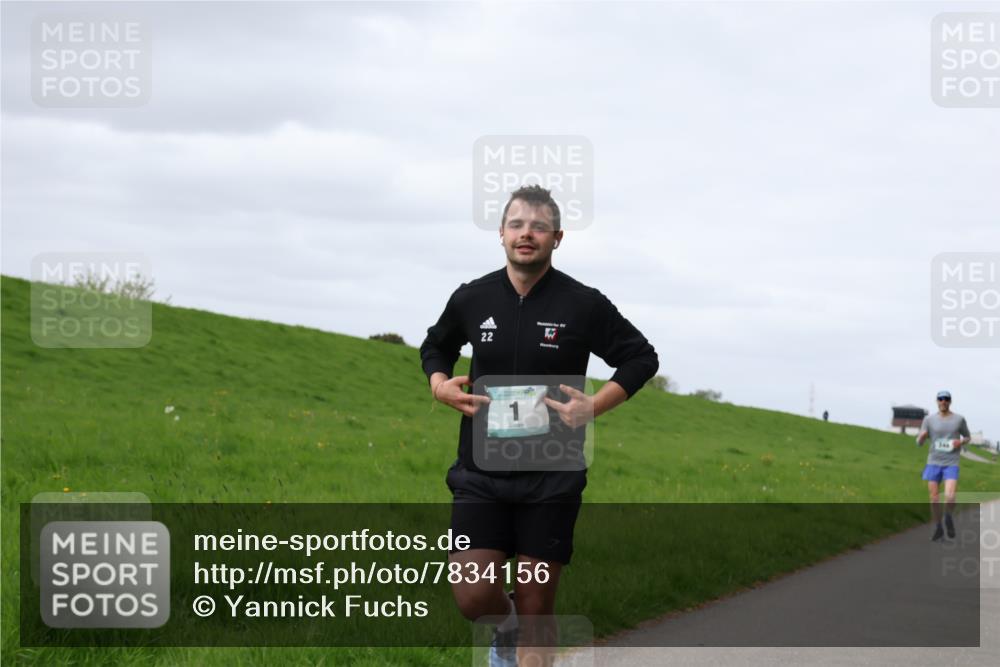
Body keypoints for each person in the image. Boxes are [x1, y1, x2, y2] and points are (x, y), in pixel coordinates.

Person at [420, 185, 658, 666]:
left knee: (535, 605)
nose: (526, 233)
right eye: (516, 224)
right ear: (501, 234)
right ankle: (503, 631)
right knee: (473, 596)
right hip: (480, 473)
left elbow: (640, 357)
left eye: (539, 226)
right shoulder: (472, 297)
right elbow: (436, 346)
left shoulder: (583, 304)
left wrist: (594, 406)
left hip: (553, 475)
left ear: (557, 237)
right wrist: (440, 384)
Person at [915, 390, 972, 541]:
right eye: (940, 399)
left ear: (950, 401)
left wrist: (960, 442)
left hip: (951, 462)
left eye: (946, 399)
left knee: (950, 496)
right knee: (934, 498)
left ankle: (948, 517)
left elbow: (968, 437)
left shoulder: (959, 419)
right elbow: (919, 443)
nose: (943, 401)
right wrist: (921, 437)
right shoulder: (928, 420)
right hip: (933, 462)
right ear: (937, 401)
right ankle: (939, 527)